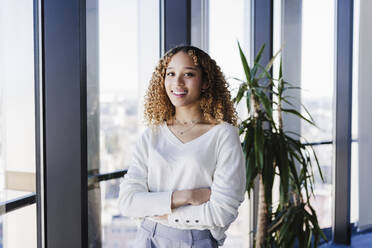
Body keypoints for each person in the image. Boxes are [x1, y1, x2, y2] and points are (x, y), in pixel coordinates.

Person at [118, 45, 246, 248]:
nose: (177, 82)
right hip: (147, 238)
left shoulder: (224, 135)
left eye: (188, 74)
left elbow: (222, 211)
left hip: (197, 240)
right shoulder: (152, 135)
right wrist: (188, 196)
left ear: (205, 82)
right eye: (170, 73)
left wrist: (158, 212)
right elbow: (128, 202)